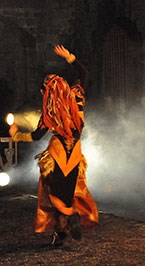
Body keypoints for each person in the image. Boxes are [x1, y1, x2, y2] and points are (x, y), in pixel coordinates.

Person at [9, 45, 98, 246]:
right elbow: (84, 73)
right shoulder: (77, 96)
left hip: (57, 154)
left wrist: (16, 135)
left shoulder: (50, 113)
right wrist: (70, 58)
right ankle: (64, 228)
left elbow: (36, 136)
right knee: (67, 194)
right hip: (74, 153)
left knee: (52, 195)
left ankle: (67, 220)